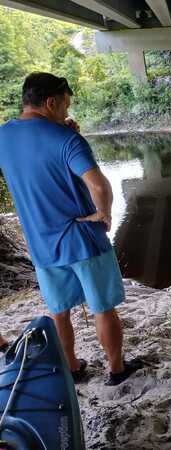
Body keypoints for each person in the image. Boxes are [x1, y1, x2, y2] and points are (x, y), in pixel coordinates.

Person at [0, 72, 141, 385]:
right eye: (64, 105)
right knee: (103, 307)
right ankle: (117, 370)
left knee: (59, 310)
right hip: (81, 239)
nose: (67, 112)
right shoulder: (67, 139)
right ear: (50, 102)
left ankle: (73, 367)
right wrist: (104, 214)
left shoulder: (4, 135)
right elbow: (99, 185)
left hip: (41, 244)